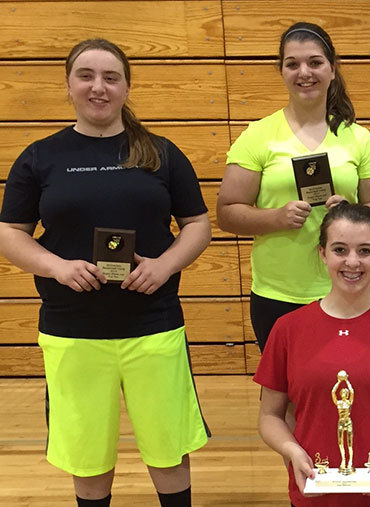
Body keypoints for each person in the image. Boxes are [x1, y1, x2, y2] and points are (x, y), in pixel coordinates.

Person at [0, 39, 211, 507]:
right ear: (69, 85)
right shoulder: (39, 157)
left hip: (152, 324)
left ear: (126, 86)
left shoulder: (160, 153)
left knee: (168, 446)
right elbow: (10, 232)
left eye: (111, 77)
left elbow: (197, 225)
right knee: (88, 455)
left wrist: (164, 266)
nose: (99, 87)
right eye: (87, 76)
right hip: (73, 330)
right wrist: (56, 267)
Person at [217, 22, 370, 351]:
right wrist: (275, 218)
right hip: (278, 294)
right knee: (290, 398)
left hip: (348, 287)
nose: (304, 72)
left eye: (314, 62)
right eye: (292, 63)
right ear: (281, 70)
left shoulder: (358, 137)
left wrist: (352, 215)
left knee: (349, 390)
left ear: (332, 69)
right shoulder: (258, 135)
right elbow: (227, 213)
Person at [254, 202, 370, 507]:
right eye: (340, 250)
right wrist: (292, 450)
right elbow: (270, 417)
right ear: (323, 253)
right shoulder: (288, 329)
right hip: (315, 495)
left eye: (364, 251)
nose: (352, 262)